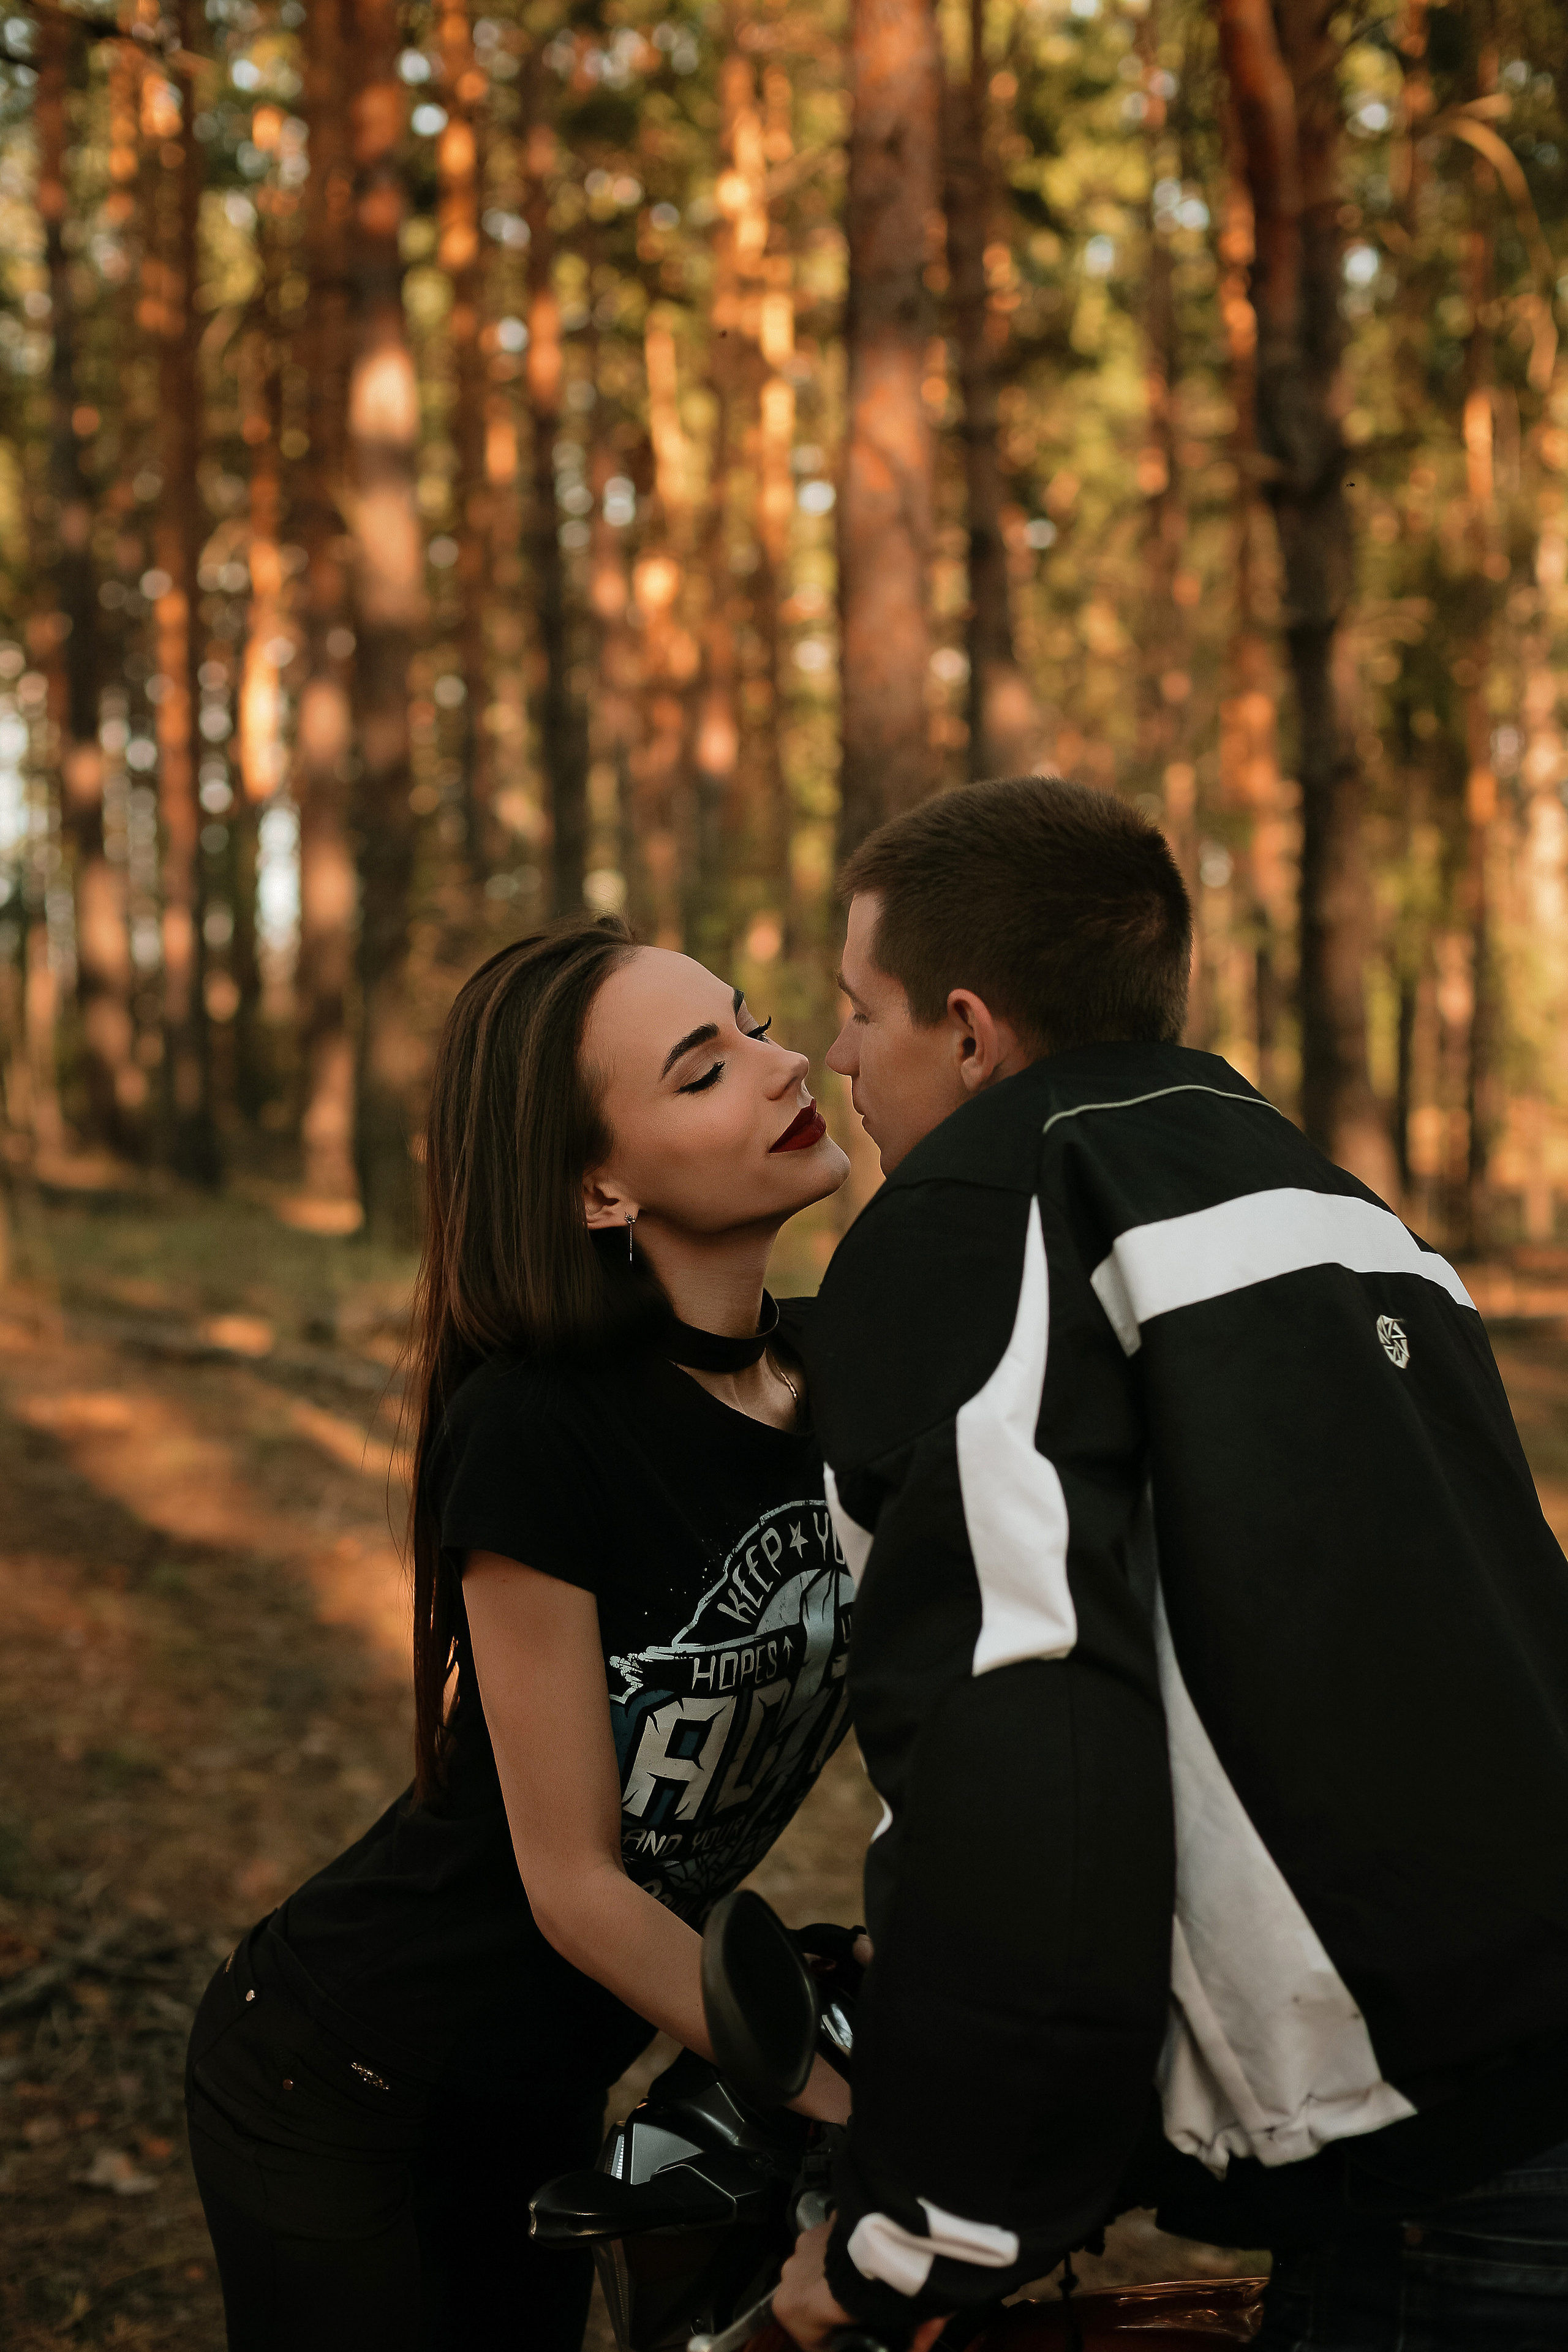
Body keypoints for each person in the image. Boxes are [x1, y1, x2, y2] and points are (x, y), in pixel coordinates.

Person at [773, 777, 1568, 2352]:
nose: (838, 1060)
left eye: (859, 1013)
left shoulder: (975, 1223)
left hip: (1437, 2169)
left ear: (969, 1027)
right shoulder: (1337, 1210)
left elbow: (1017, 1762)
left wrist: (921, 2231)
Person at [185, 914, 859, 2352]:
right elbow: (571, 1885)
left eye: (748, 1025)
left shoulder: (849, 1383)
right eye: (702, 1070)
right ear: (597, 1190)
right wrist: (841, 2099)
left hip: (541, 2097)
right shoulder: (540, 1430)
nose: (781, 1060)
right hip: (340, 2081)